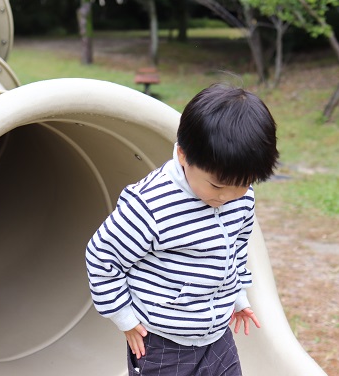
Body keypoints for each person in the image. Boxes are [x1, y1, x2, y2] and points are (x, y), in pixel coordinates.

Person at [85, 83, 279, 375]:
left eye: (242, 184)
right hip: (163, 341)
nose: (226, 197)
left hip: (217, 335)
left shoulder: (242, 198)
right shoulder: (151, 205)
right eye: (216, 185)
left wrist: (237, 295)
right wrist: (124, 317)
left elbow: (235, 249)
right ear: (183, 155)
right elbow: (102, 257)